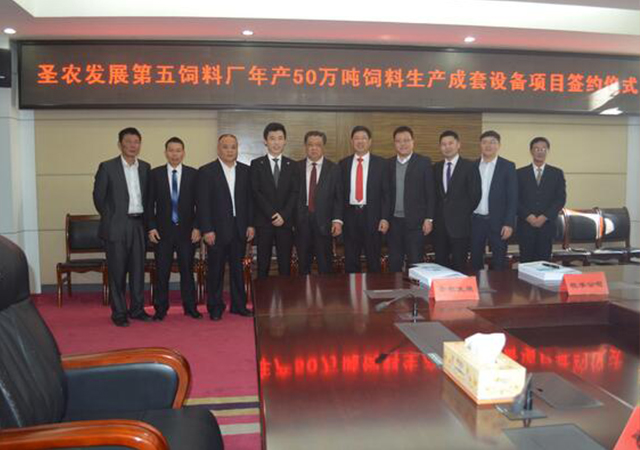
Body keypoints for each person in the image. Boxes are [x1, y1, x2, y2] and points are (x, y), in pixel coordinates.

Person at [93, 127, 151, 327]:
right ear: (120, 144)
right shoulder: (107, 167)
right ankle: (119, 312)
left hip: (138, 225)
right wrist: (112, 218)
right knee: (117, 272)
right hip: (116, 226)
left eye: (136, 142)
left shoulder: (145, 167)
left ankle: (137, 309)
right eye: (128, 142)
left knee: (138, 270)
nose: (133, 146)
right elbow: (98, 198)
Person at [198, 134, 255, 320]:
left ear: (237, 149)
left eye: (233, 147)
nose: (230, 151)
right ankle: (215, 307)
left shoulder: (246, 171)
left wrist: (251, 224)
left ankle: (239, 305)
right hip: (216, 230)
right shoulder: (207, 171)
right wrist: (206, 229)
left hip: (239, 228)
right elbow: (203, 203)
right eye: (225, 147)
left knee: (238, 270)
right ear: (218, 149)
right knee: (216, 270)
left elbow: (250, 201)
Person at [145, 137, 202, 321]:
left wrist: (197, 227)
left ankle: (190, 307)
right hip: (162, 233)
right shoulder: (155, 174)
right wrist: (151, 227)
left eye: (178, 150)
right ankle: (160, 309)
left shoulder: (194, 174)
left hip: (187, 232)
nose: (174, 154)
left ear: (183, 153)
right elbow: (149, 204)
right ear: (165, 152)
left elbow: (200, 204)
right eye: (171, 150)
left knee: (187, 271)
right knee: (162, 273)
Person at [250, 122, 299, 277]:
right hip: (264, 222)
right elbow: (256, 193)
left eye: (280, 138)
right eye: (272, 138)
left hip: (285, 223)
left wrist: (283, 215)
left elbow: (295, 193)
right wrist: (272, 214)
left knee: (285, 266)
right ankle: (262, 293)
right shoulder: (256, 164)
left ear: (285, 141)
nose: (276, 142)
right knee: (263, 265)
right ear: (265, 141)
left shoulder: (293, 165)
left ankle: (285, 293)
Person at [339, 126, 390, 273]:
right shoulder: (343, 164)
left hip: (372, 217)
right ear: (351, 141)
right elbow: (339, 194)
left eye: (363, 138)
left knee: (373, 261)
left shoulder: (381, 164)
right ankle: (351, 288)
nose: (360, 141)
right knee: (351, 261)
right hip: (350, 217)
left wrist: (385, 218)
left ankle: (373, 288)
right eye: (356, 138)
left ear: (370, 141)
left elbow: (386, 194)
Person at [386, 126, 435, 272]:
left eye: (406, 140)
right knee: (394, 262)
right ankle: (395, 287)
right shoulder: (388, 164)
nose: (403, 144)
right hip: (393, 223)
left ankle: (414, 288)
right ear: (394, 143)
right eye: (398, 141)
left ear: (413, 142)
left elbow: (430, 192)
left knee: (415, 263)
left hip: (416, 223)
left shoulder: (424, 162)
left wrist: (429, 218)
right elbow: (384, 194)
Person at [294, 131, 343, 275]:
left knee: (325, 266)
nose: (314, 148)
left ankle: (325, 291)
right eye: (310, 145)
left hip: (324, 224)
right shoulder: (296, 168)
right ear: (305, 146)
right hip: (301, 223)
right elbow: (291, 196)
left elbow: (338, 197)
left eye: (318, 145)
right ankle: (304, 290)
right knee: (303, 266)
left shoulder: (334, 169)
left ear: (323, 147)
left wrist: (337, 220)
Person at [433, 130, 482, 272]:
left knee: (459, 266)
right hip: (440, 227)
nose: (447, 147)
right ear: (440, 147)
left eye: (450, 143)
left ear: (458, 145)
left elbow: (475, 195)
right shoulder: (435, 167)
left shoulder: (470, 166)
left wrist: (461, 213)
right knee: (440, 266)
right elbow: (434, 196)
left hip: (460, 226)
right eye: (443, 144)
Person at [470, 130, 518, 271]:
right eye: (484, 142)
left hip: (498, 222)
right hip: (476, 221)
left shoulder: (508, 166)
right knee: (475, 259)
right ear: (480, 145)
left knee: (499, 261)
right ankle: (477, 284)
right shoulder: (472, 166)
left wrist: (509, 223)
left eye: (492, 142)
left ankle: (498, 286)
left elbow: (512, 197)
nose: (488, 145)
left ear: (499, 145)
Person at [517, 137, 566, 262]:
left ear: (548, 151)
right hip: (525, 225)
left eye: (543, 149)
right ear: (531, 151)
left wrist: (544, 216)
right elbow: (515, 199)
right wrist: (528, 216)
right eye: (537, 149)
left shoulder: (556, 173)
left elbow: (560, 199)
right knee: (526, 262)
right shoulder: (519, 173)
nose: (540, 152)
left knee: (544, 263)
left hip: (547, 226)